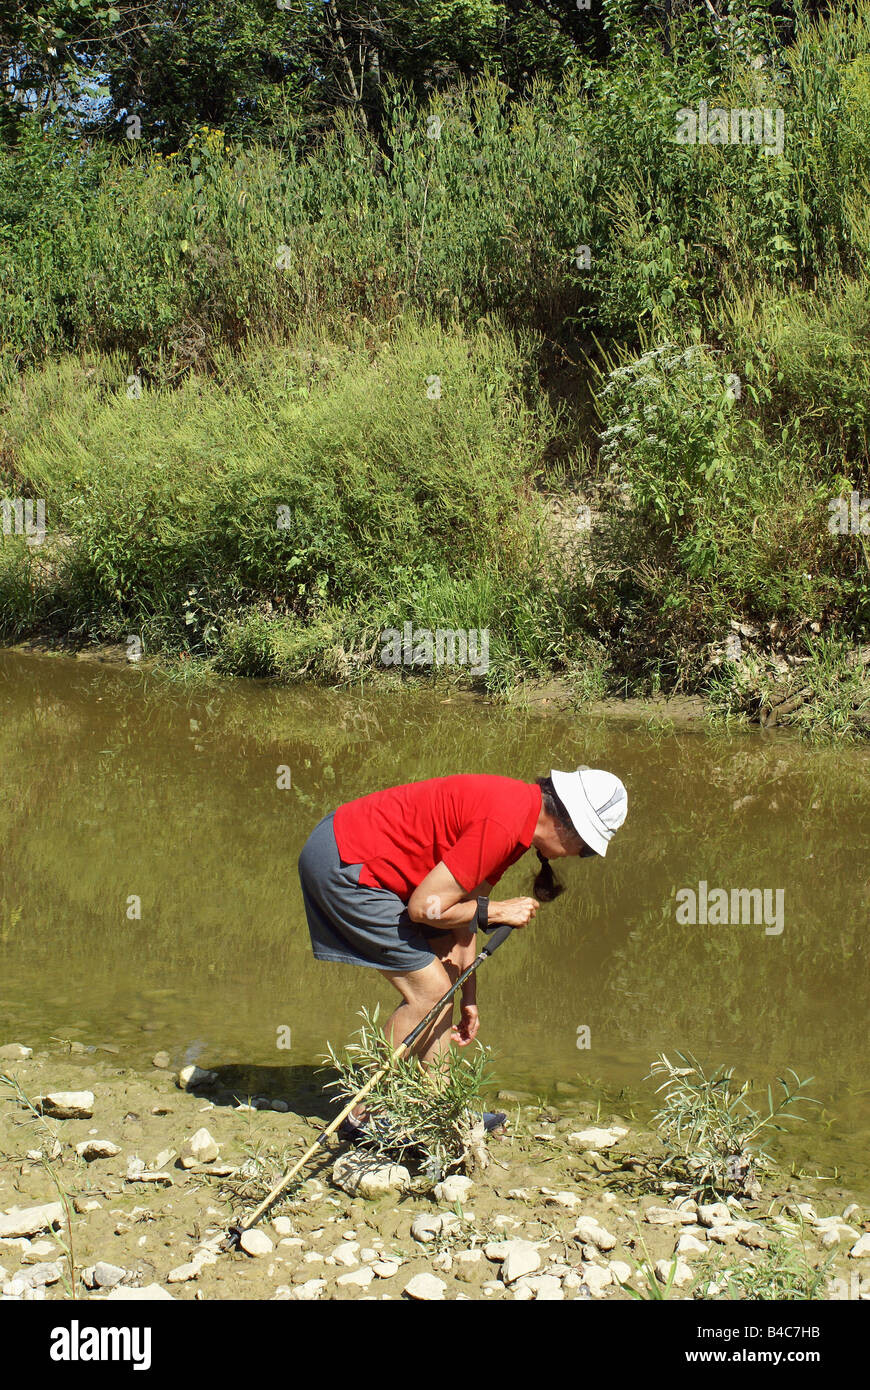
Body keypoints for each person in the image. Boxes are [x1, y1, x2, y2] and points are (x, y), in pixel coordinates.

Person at [298, 767, 627, 1136]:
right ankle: (361, 1113)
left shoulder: (518, 818)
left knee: (446, 982)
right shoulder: (505, 823)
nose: (577, 855)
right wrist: (497, 911)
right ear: (567, 826)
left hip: (358, 856)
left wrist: (468, 994)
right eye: (585, 850)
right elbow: (425, 908)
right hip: (345, 864)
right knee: (430, 991)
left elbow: (462, 910)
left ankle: (438, 1105)